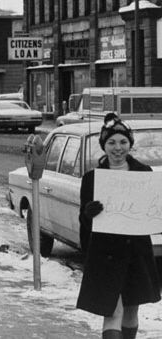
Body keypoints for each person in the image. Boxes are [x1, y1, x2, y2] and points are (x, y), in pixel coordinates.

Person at [76, 113, 160, 339]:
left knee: (131, 312)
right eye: (111, 142)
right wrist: (88, 213)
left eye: (123, 142)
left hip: (136, 253)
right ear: (104, 146)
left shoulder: (143, 173)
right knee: (113, 312)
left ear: (130, 144)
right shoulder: (92, 178)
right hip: (106, 254)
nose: (117, 148)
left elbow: (151, 211)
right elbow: (84, 222)